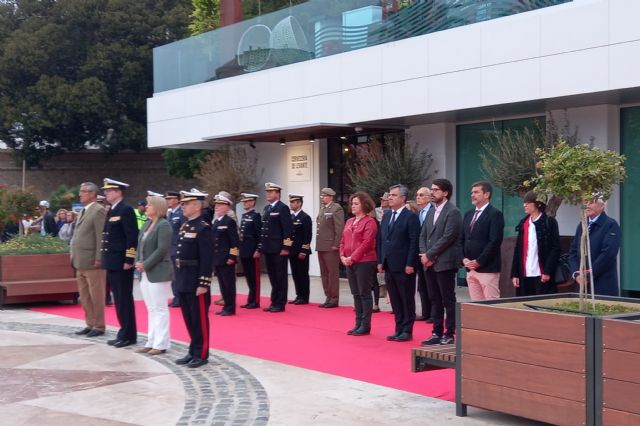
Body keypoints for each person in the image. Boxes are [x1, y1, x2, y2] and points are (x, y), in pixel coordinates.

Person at [419, 178, 462, 346]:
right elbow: (423, 234)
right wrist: (424, 254)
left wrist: (429, 255)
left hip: (445, 263)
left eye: (436, 190)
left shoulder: (453, 212)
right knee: (434, 298)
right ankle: (436, 332)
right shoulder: (431, 211)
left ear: (445, 193)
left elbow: (448, 237)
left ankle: (449, 333)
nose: (432, 192)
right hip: (429, 263)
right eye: (431, 189)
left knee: (447, 299)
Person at [174, 189, 214, 368]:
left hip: (196, 280)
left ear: (197, 206)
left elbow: (207, 258)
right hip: (183, 278)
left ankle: (202, 352)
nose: (183, 206)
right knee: (189, 317)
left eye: (187, 203)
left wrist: (203, 283)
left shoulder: (203, 228)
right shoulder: (186, 226)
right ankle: (193, 349)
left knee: (199, 319)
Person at [377, 184, 420, 342]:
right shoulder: (387, 215)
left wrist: (410, 263)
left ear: (403, 199)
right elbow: (381, 239)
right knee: (394, 298)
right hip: (389, 264)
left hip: (404, 265)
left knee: (406, 298)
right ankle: (398, 328)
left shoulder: (411, 217)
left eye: (394, 195)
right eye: (390, 195)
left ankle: (407, 330)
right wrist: (381, 260)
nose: (390, 197)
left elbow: (414, 242)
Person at [101, 178, 139, 348]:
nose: (106, 193)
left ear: (118, 192)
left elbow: (131, 237)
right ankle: (123, 331)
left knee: (124, 298)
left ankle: (129, 334)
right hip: (112, 261)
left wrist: (129, 259)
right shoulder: (112, 210)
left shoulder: (126, 210)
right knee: (118, 298)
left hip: (121, 262)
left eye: (109, 191)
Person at [135, 194, 173, 355]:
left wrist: (146, 264)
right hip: (144, 272)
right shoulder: (147, 224)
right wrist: (138, 261)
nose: (146, 207)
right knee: (151, 308)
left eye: (149, 205)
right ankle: (151, 340)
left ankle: (161, 343)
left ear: (157, 208)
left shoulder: (163, 225)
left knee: (160, 308)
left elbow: (162, 249)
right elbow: (139, 245)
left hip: (158, 271)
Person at [71, 182, 107, 338]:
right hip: (80, 261)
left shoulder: (98, 210)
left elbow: (101, 236)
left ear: (93, 194)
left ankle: (98, 325)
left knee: (96, 295)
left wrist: (99, 257)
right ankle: (90, 323)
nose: (80, 194)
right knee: (84, 296)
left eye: (84, 191)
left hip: (92, 261)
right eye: (80, 191)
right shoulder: (84, 211)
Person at [341, 192, 378, 336]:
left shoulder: (370, 222)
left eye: (356, 203)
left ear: (364, 205)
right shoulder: (349, 221)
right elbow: (343, 241)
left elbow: (367, 243)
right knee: (355, 293)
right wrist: (343, 256)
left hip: (365, 261)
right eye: (352, 203)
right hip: (349, 261)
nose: (353, 206)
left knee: (364, 293)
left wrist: (353, 257)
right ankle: (357, 323)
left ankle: (365, 325)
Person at [460, 181, 505, 301]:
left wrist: (479, 261)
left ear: (486, 194)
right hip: (470, 269)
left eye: (476, 192)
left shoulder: (495, 214)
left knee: (491, 305)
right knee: (477, 307)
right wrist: (463, 259)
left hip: (487, 269)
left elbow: (495, 241)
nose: (472, 195)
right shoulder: (468, 214)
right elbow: (462, 239)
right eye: (471, 192)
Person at [511, 191, 561, 296]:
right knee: (524, 306)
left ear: (538, 204)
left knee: (542, 305)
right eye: (524, 202)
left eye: (528, 202)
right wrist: (514, 274)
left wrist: (547, 271)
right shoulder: (523, 223)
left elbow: (555, 248)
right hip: (524, 273)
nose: (524, 205)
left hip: (542, 274)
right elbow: (517, 250)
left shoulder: (549, 222)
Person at [254, 182, 293, 313]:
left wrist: (286, 248)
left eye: (271, 192)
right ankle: (274, 301)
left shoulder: (283, 208)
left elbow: (288, 230)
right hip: (268, 248)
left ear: (278, 193)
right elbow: (263, 230)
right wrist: (260, 248)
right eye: (267, 192)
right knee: (272, 277)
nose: (268, 194)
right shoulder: (266, 208)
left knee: (280, 277)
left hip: (278, 249)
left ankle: (280, 303)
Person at [569, 197, 620, 296]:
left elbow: (608, 254)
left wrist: (588, 275)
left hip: (603, 283)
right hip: (581, 283)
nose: (587, 205)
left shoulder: (610, 225)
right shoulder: (582, 225)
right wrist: (576, 274)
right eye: (586, 202)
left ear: (602, 206)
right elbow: (573, 251)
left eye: (592, 202)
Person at [211, 193, 240, 316]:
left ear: (227, 206)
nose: (216, 207)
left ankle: (230, 307)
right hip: (217, 258)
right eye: (216, 204)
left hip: (226, 258)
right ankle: (226, 306)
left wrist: (232, 257)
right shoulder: (217, 222)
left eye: (219, 204)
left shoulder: (229, 221)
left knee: (229, 284)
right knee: (223, 284)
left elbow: (235, 242)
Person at [316, 187, 344, 308]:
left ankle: (334, 298)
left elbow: (339, 228)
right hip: (321, 245)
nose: (322, 197)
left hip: (330, 246)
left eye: (325, 195)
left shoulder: (336, 208)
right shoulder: (323, 208)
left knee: (332, 273)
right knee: (324, 273)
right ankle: (328, 296)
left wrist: (336, 244)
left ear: (331, 197)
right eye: (322, 195)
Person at [288, 193, 312, 305]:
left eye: (293, 202)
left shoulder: (305, 217)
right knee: (295, 274)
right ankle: (299, 295)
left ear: (299, 203)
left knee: (302, 274)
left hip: (301, 251)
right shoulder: (291, 217)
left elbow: (308, 236)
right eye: (291, 202)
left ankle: (304, 297)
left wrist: (304, 250)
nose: (291, 204)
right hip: (292, 251)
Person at [239, 193, 262, 309]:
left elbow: (259, 235)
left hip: (252, 250)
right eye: (244, 201)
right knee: (248, 276)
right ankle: (250, 299)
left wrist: (258, 249)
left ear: (252, 202)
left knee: (254, 277)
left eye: (247, 201)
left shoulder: (256, 216)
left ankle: (255, 301)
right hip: (244, 249)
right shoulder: (244, 216)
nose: (244, 203)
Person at [415, 187, 433, 322]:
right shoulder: (418, 213)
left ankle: (434, 313)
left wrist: (428, 253)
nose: (418, 198)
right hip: (419, 254)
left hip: (431, 254)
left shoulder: (433, 211)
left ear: (428, 197)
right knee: (422, 285)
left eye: (421, 195)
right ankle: (426, 312)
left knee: (432, 284)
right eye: (417, 195)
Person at [165, 190, 186, 308]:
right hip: (170, 248)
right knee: (173, 275)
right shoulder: (171, 214)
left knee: (177, 275)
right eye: (167, 199)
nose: (168, 201)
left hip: (177, 248)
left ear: (177, 200)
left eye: (170, 199)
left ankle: (179, 298)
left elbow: (183, 231)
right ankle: (176, 296)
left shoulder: (181, 213)